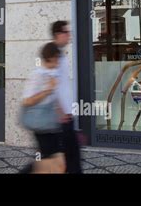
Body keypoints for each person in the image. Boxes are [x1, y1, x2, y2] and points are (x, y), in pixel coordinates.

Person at [22, 42, 65, 173]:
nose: (59, 61)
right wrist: (48, 90)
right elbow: (27, 101)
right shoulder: (37, 75)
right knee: (53, 164)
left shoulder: (54, 74)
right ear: (51, 57)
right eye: (57, 57)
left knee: (51, 164)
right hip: (41, 127)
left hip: (51, 125)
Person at [52, 20, 82, 174]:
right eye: (66, 32)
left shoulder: (60, 54)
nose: (69, 35)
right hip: (60, 119)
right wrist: (59, 112)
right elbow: (50, 86)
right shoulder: (53, 54)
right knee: (66, 160)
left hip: (66, 117)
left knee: (71, 160)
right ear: (58, 34)